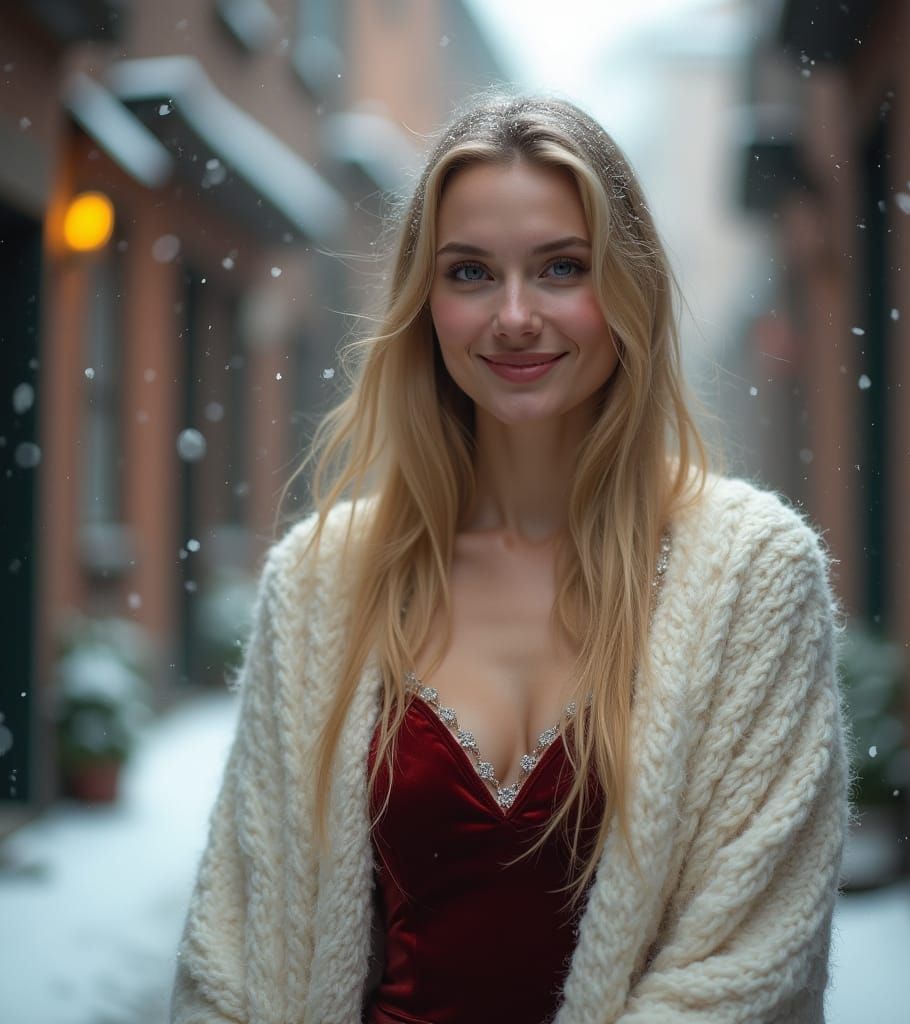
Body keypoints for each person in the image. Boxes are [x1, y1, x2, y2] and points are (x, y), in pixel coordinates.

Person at [171, 95, 852, 1024]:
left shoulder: (752, 575)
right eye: (472, 272)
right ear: (425, 302)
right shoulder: (320, 578)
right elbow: (235, 946)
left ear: (629, 287)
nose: (516, 316)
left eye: (562, 267)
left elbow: (748, 960)